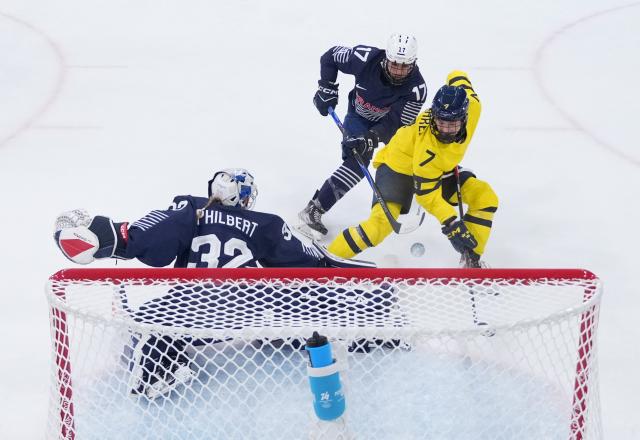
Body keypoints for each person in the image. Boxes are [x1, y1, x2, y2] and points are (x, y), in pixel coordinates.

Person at [54, 168, 375, 399]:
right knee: (297, 310)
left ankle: (160, 372)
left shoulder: (191, 210)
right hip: (248, 309)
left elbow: (152, 239)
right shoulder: (264, 222)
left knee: (144, 324)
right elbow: (301, 259)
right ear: (247, 198)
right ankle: (365, 332)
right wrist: (332, 266)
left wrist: (110, 237)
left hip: (191, 309)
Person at [326, 71, 499, 268]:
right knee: (379, 227)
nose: (444, 130)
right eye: (440, 122)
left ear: (465, 117)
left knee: (485, 197)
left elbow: (457, 76)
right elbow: (427, 195)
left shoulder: (474, 106)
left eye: (452, 125)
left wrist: (457, 80)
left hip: (439, 168)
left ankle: (472, 261)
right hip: (397, 168)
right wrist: (451, 223)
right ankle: (327, 261)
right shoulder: (427, 150)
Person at [298, 33, 428, 237]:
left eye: (405, 66)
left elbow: (397, 123)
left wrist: (373, 137)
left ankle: (405, 201)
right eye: (395, 64)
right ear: (386, 57)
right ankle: (314, 210)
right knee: (358, 162)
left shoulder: (417, 89)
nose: (399, 71)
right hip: (358, 117)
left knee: (409, 158)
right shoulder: (364, 58)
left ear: (413, 63)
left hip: (390, 127)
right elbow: (330, 56)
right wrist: (327, 87)